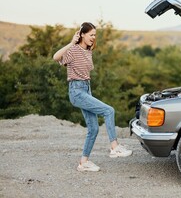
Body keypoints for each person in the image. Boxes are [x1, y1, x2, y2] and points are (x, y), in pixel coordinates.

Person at [53, 22, 132, 172]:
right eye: (91, 35)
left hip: (86, 90)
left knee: (93, 128)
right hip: (76, 91)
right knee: (109, 111)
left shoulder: (88, 51)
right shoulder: (74, 50)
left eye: (95, 35)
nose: (94, 38)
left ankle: (83, 163)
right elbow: (55, 57)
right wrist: (71, 42)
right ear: (82, 34)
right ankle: (114, 147)